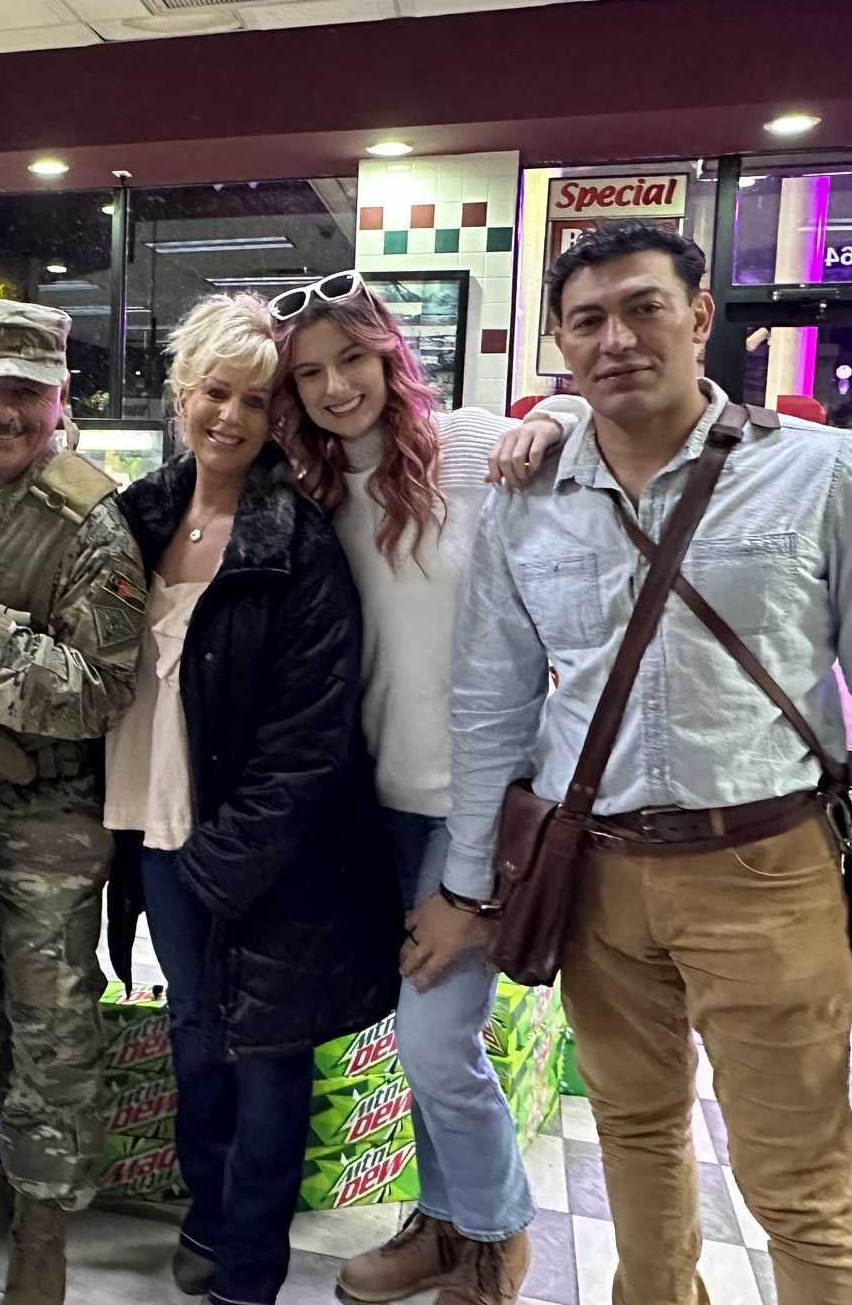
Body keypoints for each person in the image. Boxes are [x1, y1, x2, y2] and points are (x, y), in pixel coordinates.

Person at [450, 220, 852, 1305]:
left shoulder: (826, 474)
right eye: (587, 321)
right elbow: (489, 711)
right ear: (560, 347)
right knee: (635, 1134)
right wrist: (474, 886)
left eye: (643, 308)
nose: (617, 338)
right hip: (595, 878)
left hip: (766, 871)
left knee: (796, 1175)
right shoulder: (525, 504)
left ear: (701, 317)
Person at [264, 269, 580, 1305]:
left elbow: (601, 433)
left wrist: (563, 409)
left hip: (484, 801)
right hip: (380, 804)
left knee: (433, 1037)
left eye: (352, 358)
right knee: (422, 1032)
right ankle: (444, 1224)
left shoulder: (476, 446)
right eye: (310, 373)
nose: (336, 386)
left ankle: (494, 1238)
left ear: (391, 355)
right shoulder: (312, 489)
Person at [105, 293, 402, 1305]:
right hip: (156, 831)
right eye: (214, 392)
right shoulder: (137, 518)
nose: (230, 416)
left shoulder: (298, 542)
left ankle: (249, 1271)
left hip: (267, 857)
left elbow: (308, 740)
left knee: (268, 1057)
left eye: (256, 399)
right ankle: (207, 1213)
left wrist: (226, 864)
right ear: (182, 394)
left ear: (283, 417)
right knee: (196, 1036)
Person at [0, 300, 146, 1305]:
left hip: (44, 815)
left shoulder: (93, 519)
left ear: (61, 400)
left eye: (26, 394)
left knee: (50, 1022)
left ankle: (42, 1231)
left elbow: (101, 693)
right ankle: (8, 1171)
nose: (3, 413)